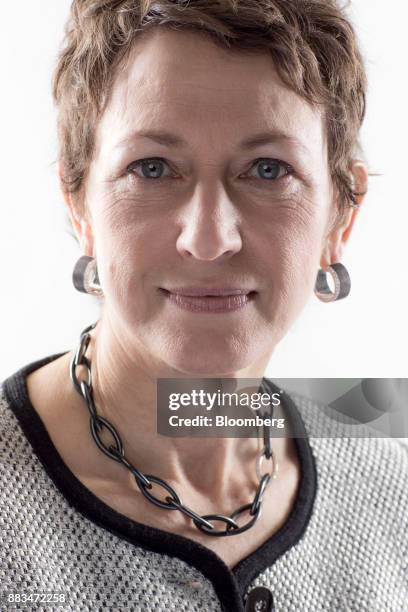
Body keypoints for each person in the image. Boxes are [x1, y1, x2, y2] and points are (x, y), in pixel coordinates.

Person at [1, 1, 407, 611]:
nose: (210, 238)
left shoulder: (391, 491)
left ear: (340, 218)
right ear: (79, 205)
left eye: (268, 170)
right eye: (154, 168)